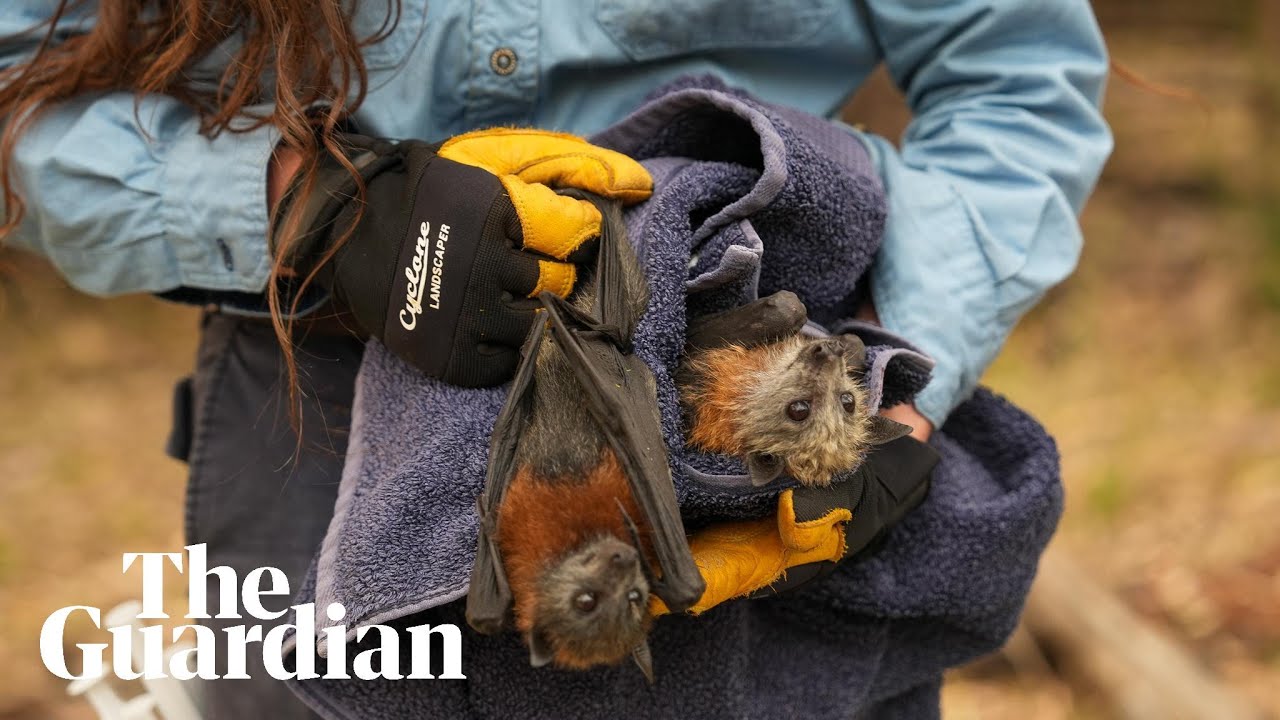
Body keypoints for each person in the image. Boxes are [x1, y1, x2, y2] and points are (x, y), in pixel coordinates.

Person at [0, 1, 1112, 717]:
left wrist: (900, 377)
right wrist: (310, 207)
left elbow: (1017, 73)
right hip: (328, 395)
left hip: (750, 392)